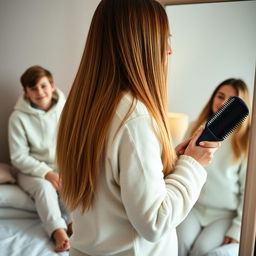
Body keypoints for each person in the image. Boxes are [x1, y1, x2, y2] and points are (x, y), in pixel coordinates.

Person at [56, 0, 220, 255]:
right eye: (164, 39)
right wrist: (194, 165)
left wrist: (168, 163)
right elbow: (155, 221)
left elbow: (110, 189)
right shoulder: (134, 119)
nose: (170, 51)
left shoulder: (79, 108)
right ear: (139, 44)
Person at [177, 78, 251, 256]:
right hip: (194, 206)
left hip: (223, 215)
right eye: (220, 96)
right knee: (179, 243)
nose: (223, 103)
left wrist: (237, 230)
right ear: (213, 98)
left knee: (201, 250)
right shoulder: (195, 128)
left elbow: (248, 192)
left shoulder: (245, 143)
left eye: (230, 100)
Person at [8, 65, 71, 252]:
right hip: (31, 171)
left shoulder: (67, 110)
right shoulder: (17, 118)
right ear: (26, 92)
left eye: (43, 86)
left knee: (73, 184)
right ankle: (58, 231)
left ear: (52, 86)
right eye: (33, 88)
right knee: (45, 188)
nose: (40, 92)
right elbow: (18, 157)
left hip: (62, 167)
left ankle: (76, 224)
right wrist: (47, 173)